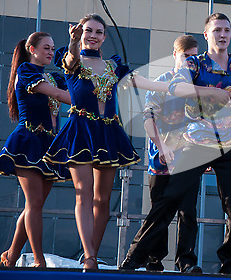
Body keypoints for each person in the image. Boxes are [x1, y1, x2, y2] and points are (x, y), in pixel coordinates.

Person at [121, 12, 231, 274]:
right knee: (170, 198)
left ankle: (229, 262)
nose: (222, 35)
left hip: (230, 144)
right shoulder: (195, 63)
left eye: (227, 30)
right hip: (196, 143)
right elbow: (177, 87)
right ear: (207, 34)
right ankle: (134, 258)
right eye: (217, 30)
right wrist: (209, 91)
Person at [43, 14, 169, 270]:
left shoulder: (114, 65)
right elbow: (70, 59)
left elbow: (140, 81)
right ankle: (89, 257)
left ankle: (93, 253)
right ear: (81, 33)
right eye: (88, 30)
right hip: (81, 131)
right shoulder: (72, 59)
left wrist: (172, 87)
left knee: (103, 201)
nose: (93, 35)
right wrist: (73, 41)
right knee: (84, 195)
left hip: (109, 132)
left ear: (104, 37)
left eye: (98, 32)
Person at [0, 32, 71, 267]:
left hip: (48, 144)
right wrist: (87, 103)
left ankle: (11, 256)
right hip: (27, 141)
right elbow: (59, 95)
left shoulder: (54, 77)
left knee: (33, 205)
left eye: (52, 48)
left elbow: (72, 83)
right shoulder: (26, 71)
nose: (50, 51)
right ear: (31, 49)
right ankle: (38, 260)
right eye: (45, 47)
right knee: (34, 203)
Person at [143, 35, 202, 273]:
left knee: (188, 211)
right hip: (161, 158)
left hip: (189, 159)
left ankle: (186, 261)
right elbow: (148, 118)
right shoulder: (162, 82)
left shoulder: (199, 85)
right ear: (175, 55)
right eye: (186, 56)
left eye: (194, 57)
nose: (190, 61)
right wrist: (161, 146)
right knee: (160, 209)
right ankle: (154, 258)